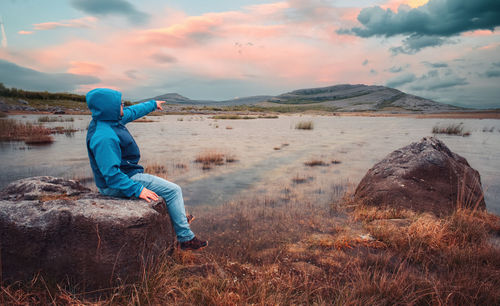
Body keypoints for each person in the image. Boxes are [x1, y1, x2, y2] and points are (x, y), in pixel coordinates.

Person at [85, 88, 207, 251]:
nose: (124, 106)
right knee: (173, 191)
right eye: (120, 104)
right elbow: (111, 175)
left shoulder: (110, 120)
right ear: (109, 108)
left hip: (128, 173)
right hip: (119, 182)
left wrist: (153, 104)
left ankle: (179, 219)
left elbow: (132, 111)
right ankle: (186, 239)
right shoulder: (104, 136)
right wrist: (137, 189)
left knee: (164, 188)